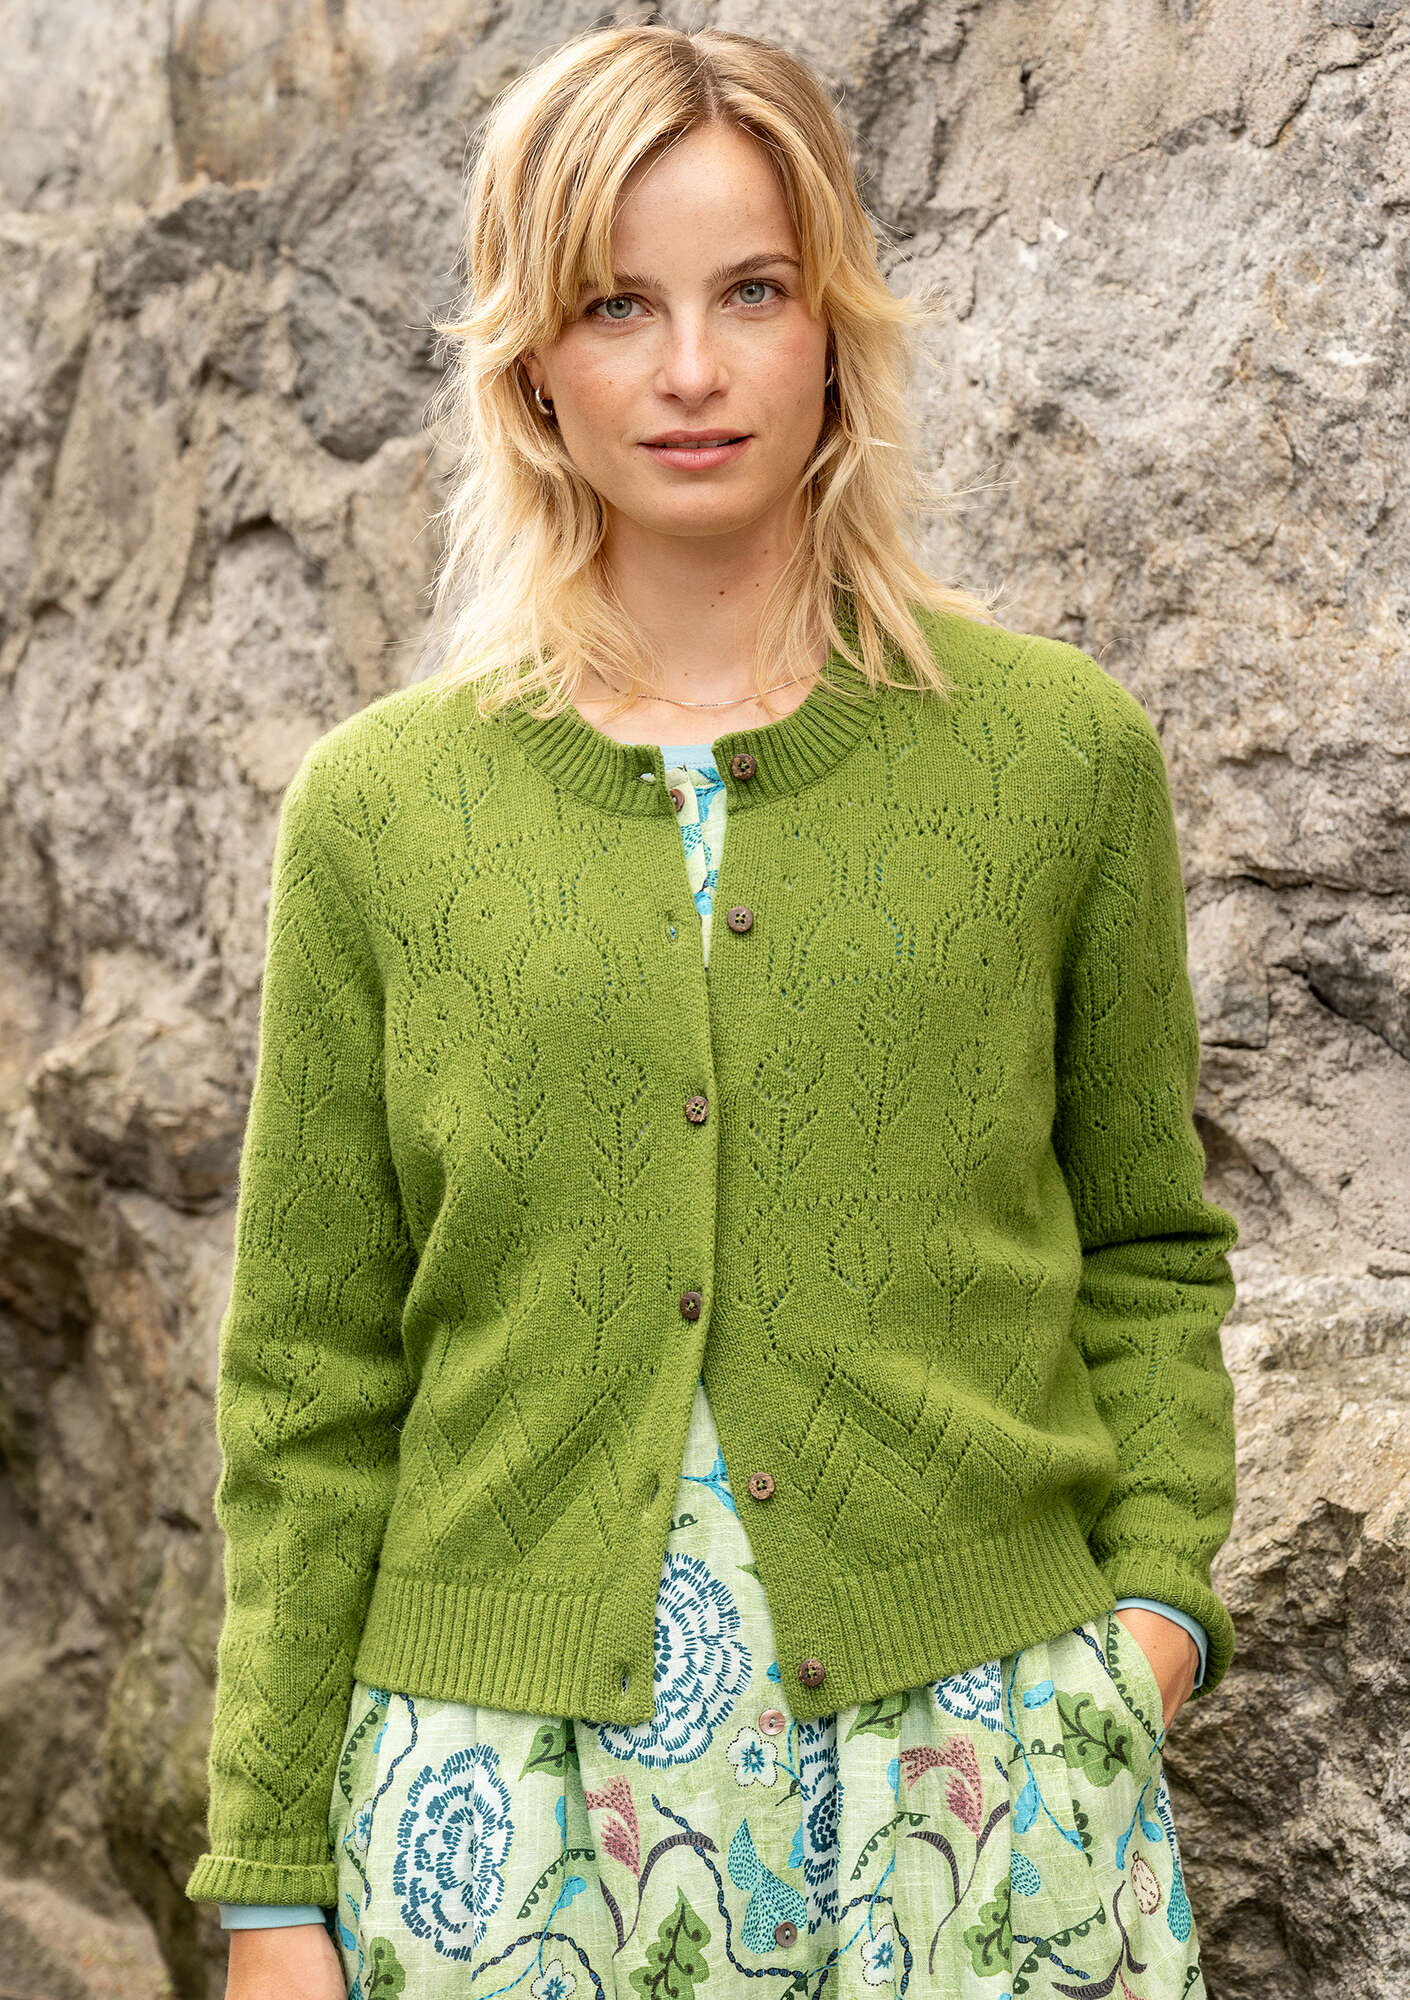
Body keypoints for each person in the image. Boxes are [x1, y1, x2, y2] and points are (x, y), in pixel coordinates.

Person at [186, 24, 1239, 1999]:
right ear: (530, 358)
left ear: (833, 324)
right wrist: (266, 1887)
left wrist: (1150, 1630)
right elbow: (311, 1389)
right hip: (505, 1826)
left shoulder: (1055, 761)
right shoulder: (382, 815)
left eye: (751, 291)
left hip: (987, 1789)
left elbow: (1148, 1248)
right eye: (617, 305)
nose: (689, 369)